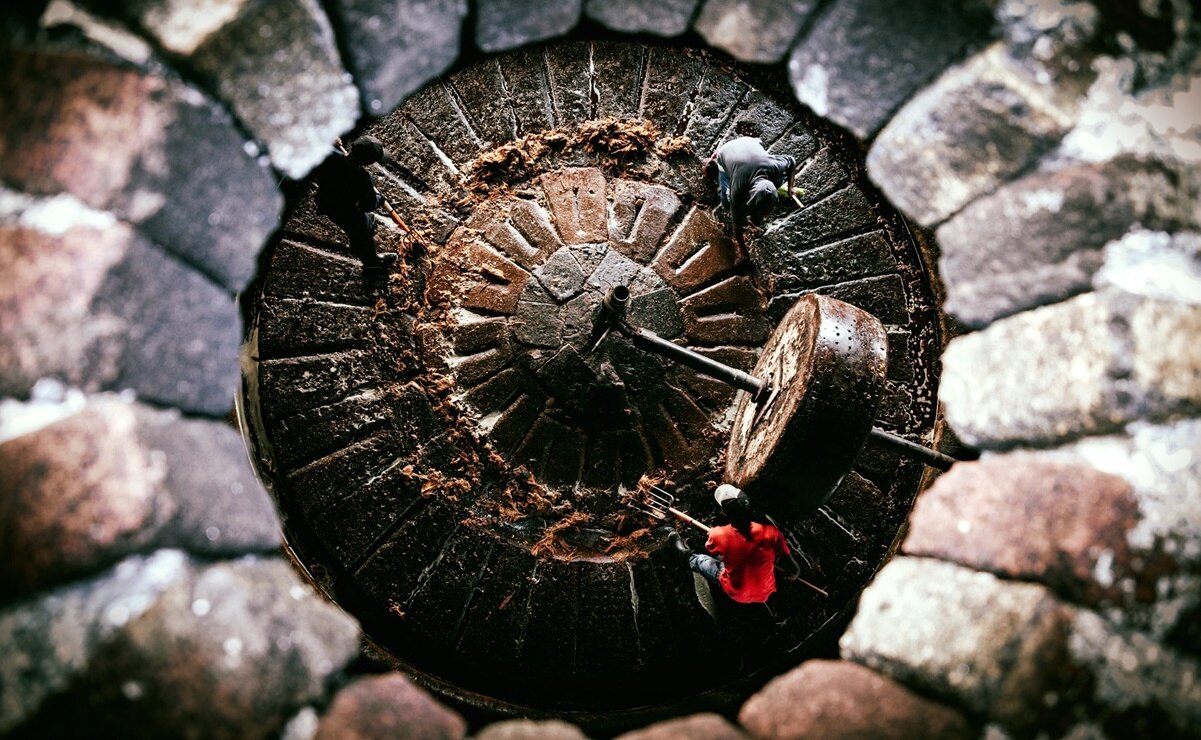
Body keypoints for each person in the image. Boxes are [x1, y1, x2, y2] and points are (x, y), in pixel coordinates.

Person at [669, 484, 800, 604]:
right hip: (765, 592)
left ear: (724, 512)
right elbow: (794, 569)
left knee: (701, 559)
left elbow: (711, 549)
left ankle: (682, 554)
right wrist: (793, 572)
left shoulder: (717, 534)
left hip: (736, 592)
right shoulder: (771, 533)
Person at [314, 135, 398, 270]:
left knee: (362, 223)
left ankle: (356, 241)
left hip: (325, 199)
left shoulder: (332, 156)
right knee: (364, 230)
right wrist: (380, 198)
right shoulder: (363, 179)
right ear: (368, 163)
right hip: (345, 212)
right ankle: (371, 261)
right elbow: (368, 205)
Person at [705, 136, 800, 254]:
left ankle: (755, 145)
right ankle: (716, 159)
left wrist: (791, 187)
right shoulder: (739, 187)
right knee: (726, 201)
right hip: (726, 152)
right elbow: (736, 224)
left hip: (750, 143)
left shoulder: (774, 166)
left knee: (780, 179)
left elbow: (792, 161)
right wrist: (743, 250)